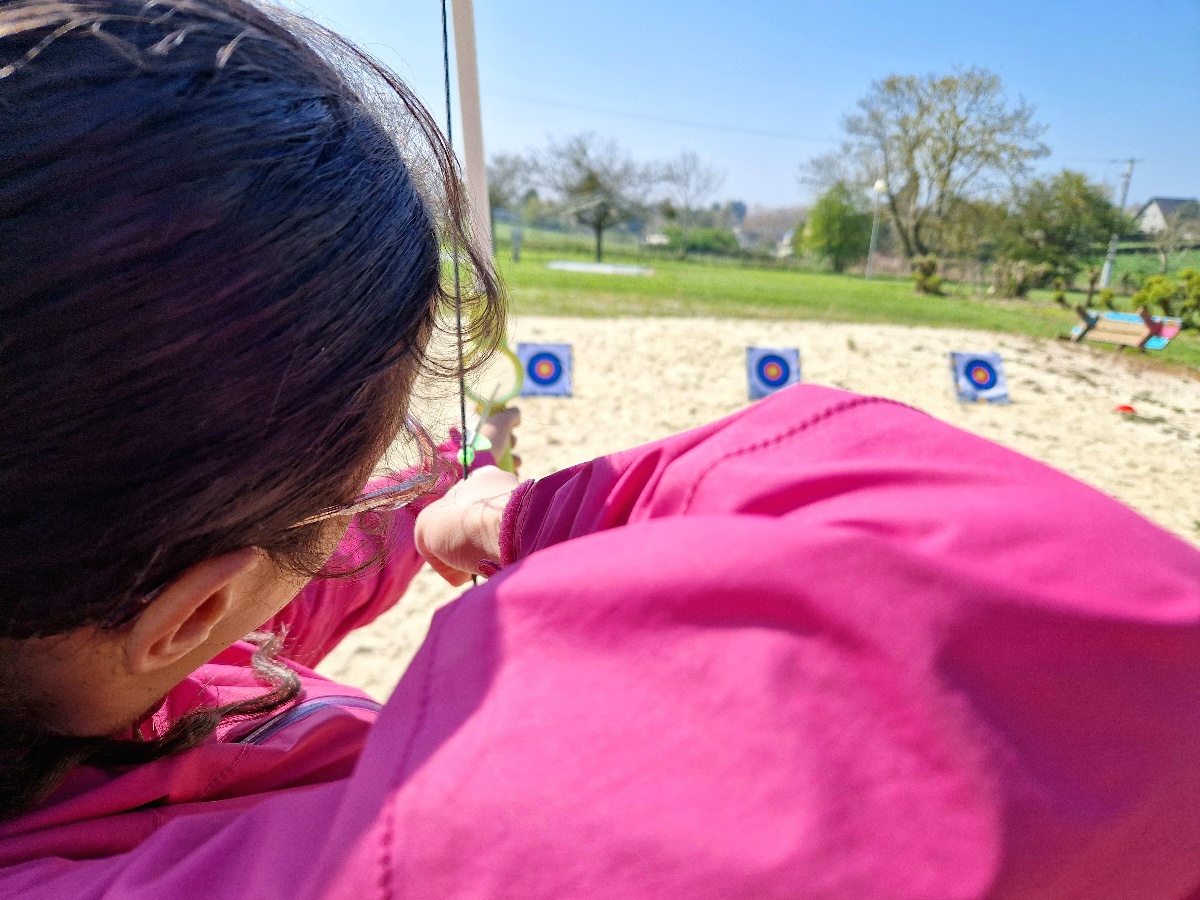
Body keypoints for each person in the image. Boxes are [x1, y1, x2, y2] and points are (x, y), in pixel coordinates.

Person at [3, 2, 1200, 898]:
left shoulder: (89, 656)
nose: (337, 531)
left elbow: (273, 607)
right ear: (179, 615)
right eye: (326, 504)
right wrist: (546, 516)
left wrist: (418, 507)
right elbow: (1101, 651)